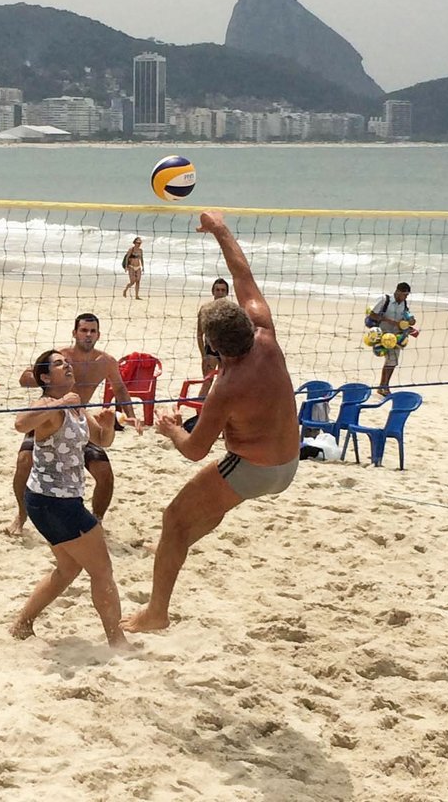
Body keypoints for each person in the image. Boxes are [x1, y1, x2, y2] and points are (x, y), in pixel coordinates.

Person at [124, 212, 300, 633]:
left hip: (254, 470)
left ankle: (156, 613)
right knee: (203, 509)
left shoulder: (226, 386)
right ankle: (175, 546)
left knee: (173, 516)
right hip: (289, 464)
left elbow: (194, 450)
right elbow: (242, 272)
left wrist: (170, 429)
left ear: (212, 346)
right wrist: (220, 229)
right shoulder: (266, 332)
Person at [9, 349, 128, 648]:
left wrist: (109, 422)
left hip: (55, 500)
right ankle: (118, 640)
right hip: (54, 502)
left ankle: (22, 624)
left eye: (68, 362)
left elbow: (101, 440)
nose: (68, 366)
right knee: (102, 571)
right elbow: (20, 424)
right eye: (60, 364)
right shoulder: (49, 404)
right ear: (46, 377)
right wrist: (62, 403)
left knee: (68, 569)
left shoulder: (77, 406)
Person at [6, 313, 136, 536]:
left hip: (79, 420)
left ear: (98, 335)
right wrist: (45, 379)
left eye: (92, 331)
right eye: (83, 330)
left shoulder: (106, 361)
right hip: (50, 417)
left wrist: (131, 416)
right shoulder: (61, 357)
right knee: (23, 461)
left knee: (104, 473)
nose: (88, 335)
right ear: (74, 333)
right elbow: (24, 378)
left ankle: (97, 520)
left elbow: (121, 389)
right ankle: (21, 514)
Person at [365, 282, 413, 396]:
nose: (406, 297)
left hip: (396, 335)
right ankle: (384, 386)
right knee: (390, 360)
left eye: (407, 295)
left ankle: (383, 386)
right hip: (382, 334)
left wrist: (411, 321)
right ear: (398, 292)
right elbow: (372, 314)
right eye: (405, 295)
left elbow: (407, 315)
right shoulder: (384, 300)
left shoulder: (404, 304)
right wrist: (388, 321)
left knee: (392, 361)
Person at [195, 278, 231, 397]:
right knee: (207, 382)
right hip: (211, 351)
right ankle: (200, 412)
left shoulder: (231, 310)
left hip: (226, 351)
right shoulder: (206, 309)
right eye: (217, 290)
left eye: (223, 290)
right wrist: (203, 356)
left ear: (226, 292)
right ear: (213, 291)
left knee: (224, 384)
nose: (220, 293)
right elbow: (200, 334)